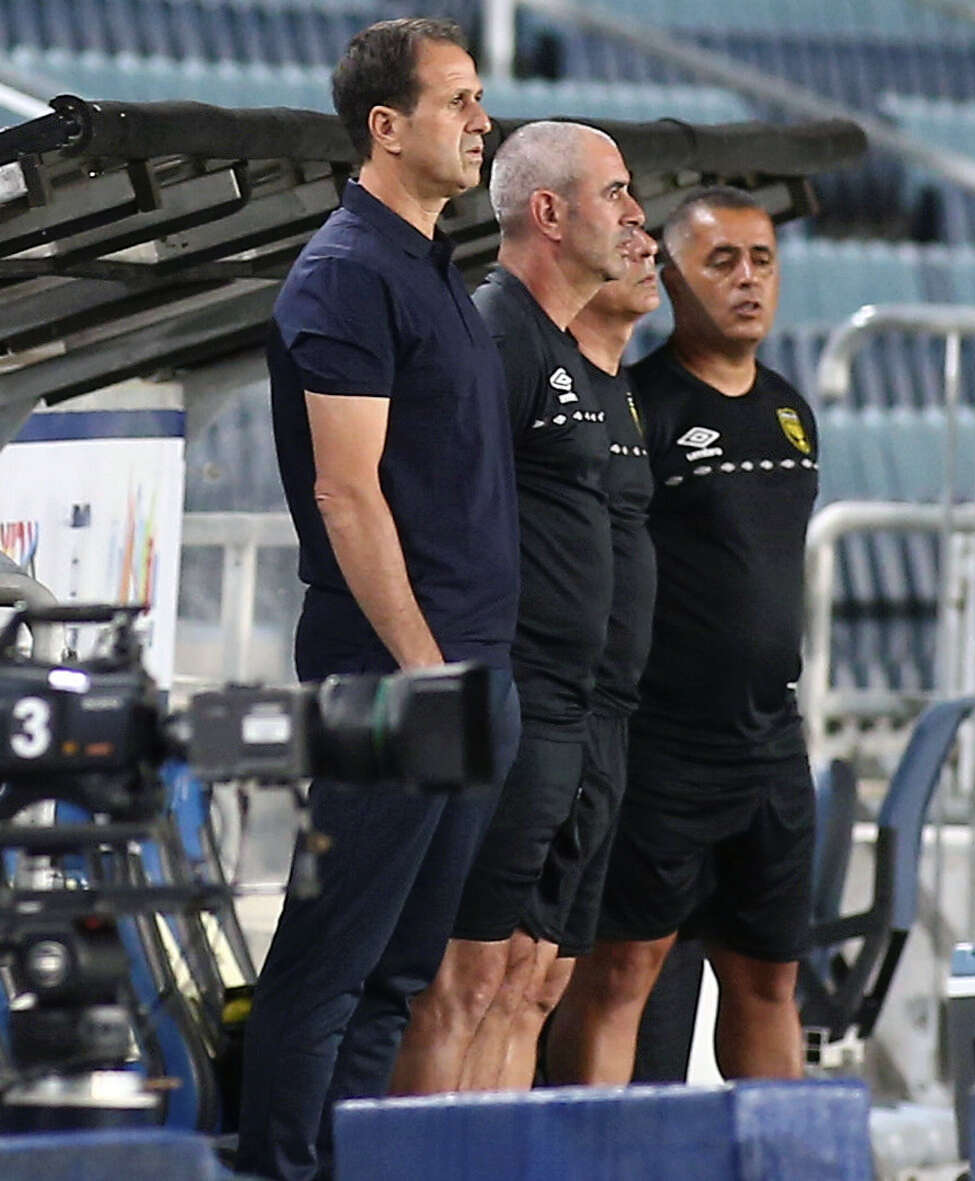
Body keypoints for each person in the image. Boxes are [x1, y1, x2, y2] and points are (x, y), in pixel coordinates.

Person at [236, 20, 521, 1180]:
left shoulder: (429, 262)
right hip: (398, 673)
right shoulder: (349, 271)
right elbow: (345, 494)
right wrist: (425, 670)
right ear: (386, 127)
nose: (481, 121)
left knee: (399, 972)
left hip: (465, 668)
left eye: (479, 97)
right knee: (330, 963)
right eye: (457, 100)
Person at [390, 120, 644, 1094]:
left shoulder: (564, 350)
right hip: (514, 703)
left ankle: (488, 1154)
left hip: (575, 711)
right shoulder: (496, 333)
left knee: (522, 977)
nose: (633, 214)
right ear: (550, 212)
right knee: (460, 981)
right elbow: (419, 503)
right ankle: (414, 1160)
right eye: (614, 192)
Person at [550, 186, 819, 1084]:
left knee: (770, 980)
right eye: (722, 261)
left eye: (762, 260)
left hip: (770, 744)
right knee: (621, 973)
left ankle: (774, 1148)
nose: (748, 280)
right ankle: (591, 1147)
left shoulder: (791, 411)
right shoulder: (642, 407)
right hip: (664, 747)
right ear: (670, 275)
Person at [533, 227, 660, 1083]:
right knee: (493, 976)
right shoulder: (547, 378)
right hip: (553, 710)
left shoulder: (623, 392)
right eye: (625, 228)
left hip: (610, 717)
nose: (645, 248)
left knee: (546, 978)